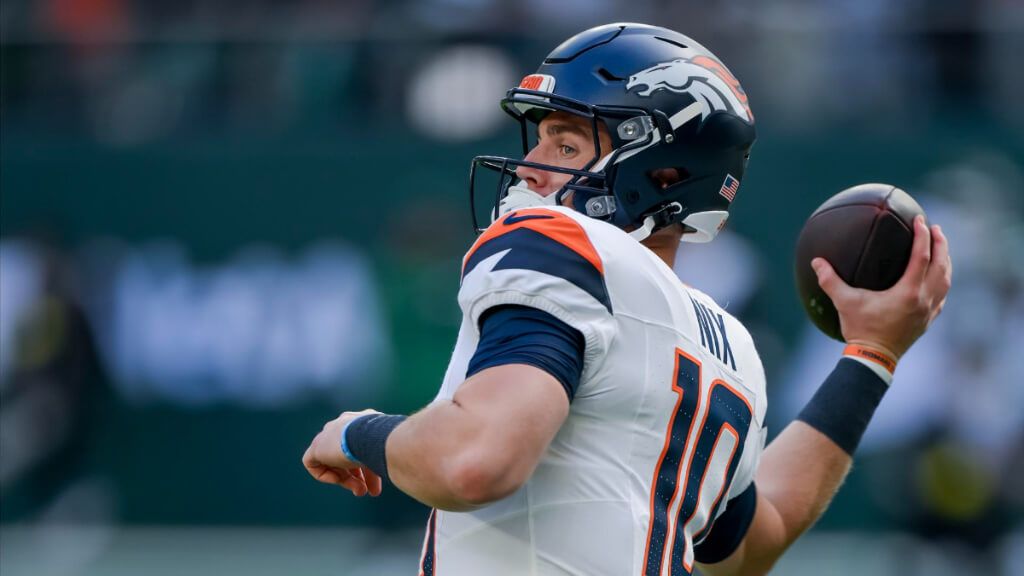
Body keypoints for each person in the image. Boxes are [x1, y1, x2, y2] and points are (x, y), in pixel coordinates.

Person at [302, 23, 952, 575]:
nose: (531, 165)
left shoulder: (559, 244)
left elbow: (476, 462)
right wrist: (872, 354)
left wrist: (359, 432)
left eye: (565, 143)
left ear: (662, 173)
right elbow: (758, 537)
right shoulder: (729, 345)